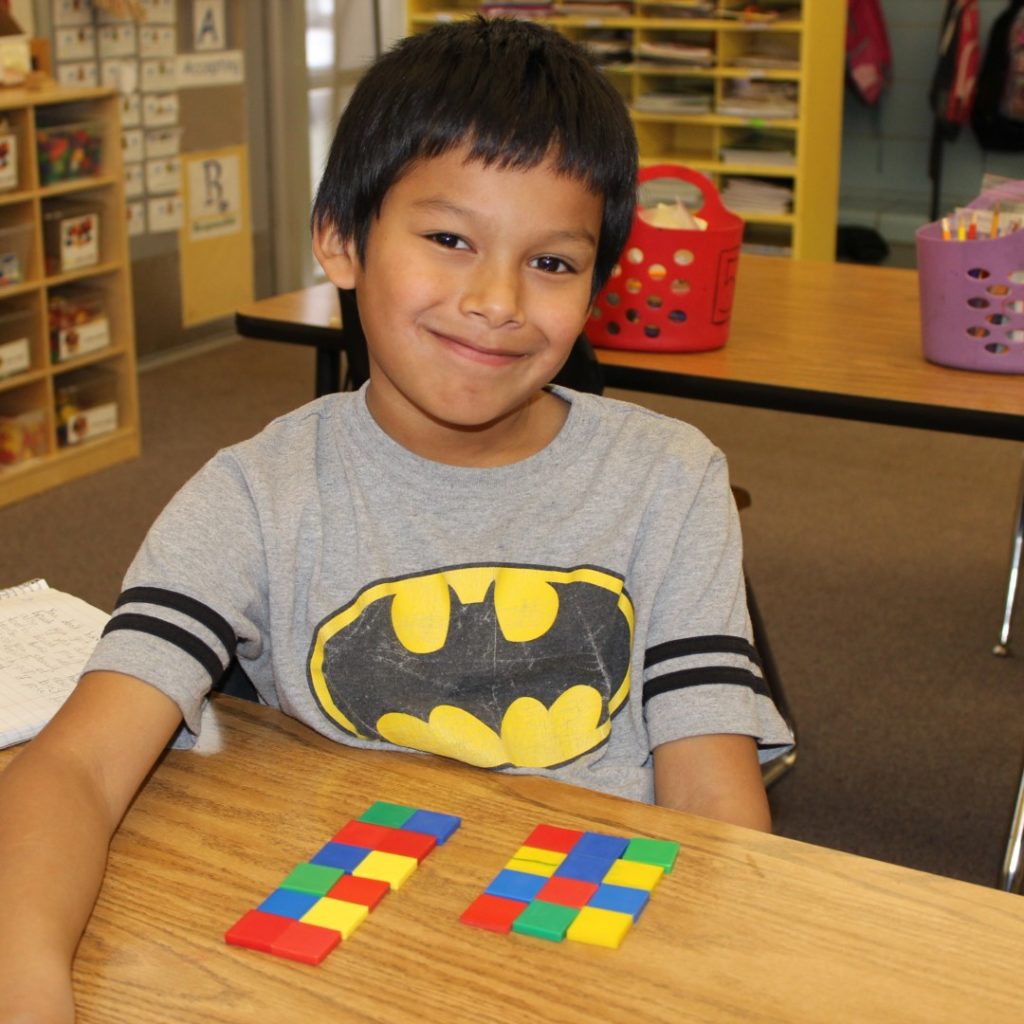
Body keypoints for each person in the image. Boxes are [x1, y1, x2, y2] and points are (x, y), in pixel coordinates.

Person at [0, 17, 791, 1020]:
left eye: (552, 262)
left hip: (598, 953)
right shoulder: (255, 495)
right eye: (450, 239)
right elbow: (72, 765)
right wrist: (28, 983)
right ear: (340, 239)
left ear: (598, 280)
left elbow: (715, 802)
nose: (497, 300)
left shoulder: (668, 479)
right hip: (340, 955)